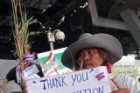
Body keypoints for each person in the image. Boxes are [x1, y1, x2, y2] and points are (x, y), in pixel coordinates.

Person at [61, 33, 139, 93]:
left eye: (90, 52)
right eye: (80, 55)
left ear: (104, 56)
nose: (85, 58)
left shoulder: (123, 81)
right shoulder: (73, 89)